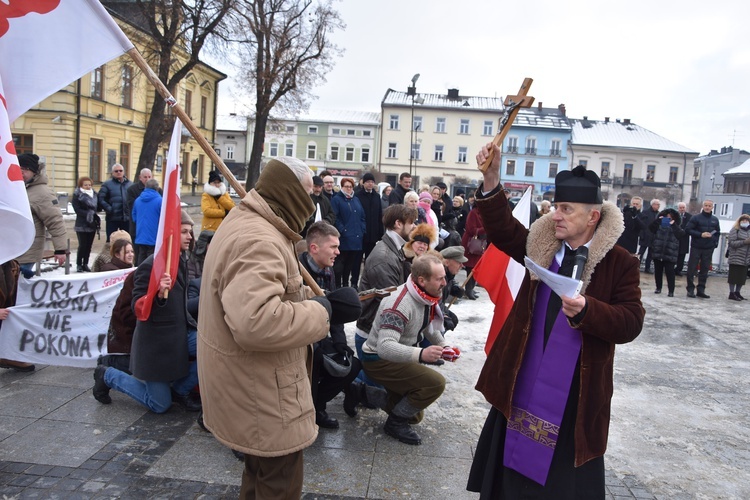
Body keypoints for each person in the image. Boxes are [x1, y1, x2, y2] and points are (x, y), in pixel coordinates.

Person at [466, 144, 644, 498]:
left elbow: (631, 321)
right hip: (522, 379)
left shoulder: (619, 261)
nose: (555, 215)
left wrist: (589, 311)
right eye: (555, 206)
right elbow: (501, 230)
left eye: (566, 209)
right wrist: (490, 178)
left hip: (575, 395)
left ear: (593, 217)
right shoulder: (541, 244)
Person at [197, 157, 361, 499]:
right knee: (278, 483)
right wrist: (323, 312)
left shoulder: (259, 225)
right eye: (308, 192)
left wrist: (317, 300)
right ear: (289, 193)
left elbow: (271, 294)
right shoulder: (259, 238)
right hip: (263, 391)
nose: (313, 199)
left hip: (256, 385)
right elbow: (256, 322)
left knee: (260, 476)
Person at [93, 210, 201, 413]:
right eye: (185, 232)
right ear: (172, 234)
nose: (190, 237)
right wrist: (157, 295)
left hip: (180, 334)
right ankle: (107, 374)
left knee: (212, 350)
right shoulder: (151, 265)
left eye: (190, 232)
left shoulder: (182, 260)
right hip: (156, 345)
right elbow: (137, 306)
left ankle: (181, 389)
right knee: (160, 405)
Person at [360, 254, 460, 445]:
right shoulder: (399, 304)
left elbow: (427, 326)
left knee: (414, 416)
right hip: (378, 360)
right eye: (439, 278)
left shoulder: (422, 295)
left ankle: (362, 393)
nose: (444, 283)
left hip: (397, 356)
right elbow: (385, 347)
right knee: (435, 383)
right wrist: (422, 354)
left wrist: (444, 345)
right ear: (422, 280)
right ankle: (394, 424)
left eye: (444, 277)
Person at [299, 221, 363, 428]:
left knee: (351, 365)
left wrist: (339, 343)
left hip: (322, 335)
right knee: (316, 359)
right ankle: (311, 411)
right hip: (301, 339)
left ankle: (317, 405)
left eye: (338, 246)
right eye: (333, 247)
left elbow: (334, 312)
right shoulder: (296, 272)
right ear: (314, 248)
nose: (338, 252)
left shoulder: (329, 270)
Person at [16, 154, 67, 278]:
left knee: (16, 288)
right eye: (19, 168)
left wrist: (60, 249)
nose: (21, 172)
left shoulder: (42, 192)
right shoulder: (15, 188)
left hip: (26, 251)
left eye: (26, 169)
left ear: (34, 172)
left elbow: (55, 221)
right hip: (11, 248)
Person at [0, 259, 35, 372]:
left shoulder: (8, 261)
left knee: (13, 318)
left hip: (6, 306)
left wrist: (22, 272)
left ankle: (7, 355)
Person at [331, 177, 366, 289]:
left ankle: (346, 285)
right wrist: (342, 230)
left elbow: (362, 216)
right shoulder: (337, 199)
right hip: (344, 237)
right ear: (342, 187)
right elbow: (335, 217)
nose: (349, 189)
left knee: (350, 264)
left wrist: (362, 229)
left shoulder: (355, 199)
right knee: (339, 264)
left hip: (356, 237)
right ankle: (337, 286)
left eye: (351, 187)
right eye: (346, 186)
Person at [685, 200, 720, 299]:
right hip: (697, 246)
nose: (707, 207)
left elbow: (717, 232)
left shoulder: (715, 219)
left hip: (708, 248)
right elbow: (688, 229)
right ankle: (690, 289)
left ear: (712, 207)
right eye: (706, 205)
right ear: (703, 206)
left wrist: (714, 242)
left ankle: (701, 289)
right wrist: (700, 234)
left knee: (705, 269)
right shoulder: (696, 218)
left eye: (709, 206)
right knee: (692, 268)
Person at [648, 208, 684, 297]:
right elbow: (651, 228)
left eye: (670, 218)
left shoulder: (676, 227)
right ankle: (658, 287)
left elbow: (681, 234)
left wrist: (674, 225)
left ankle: (671, 290)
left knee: (670, 272)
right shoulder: (659, 225)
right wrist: (658, 220)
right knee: (658, 271)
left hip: (670, 252)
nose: (668, 219)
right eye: (666, 217)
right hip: (658, 251)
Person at [72, 176, 100, 272]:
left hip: (92, 223)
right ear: (81, 185)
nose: (88, 186)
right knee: (82, 245)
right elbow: (77, 209)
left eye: (89, 185)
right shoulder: (77, 195)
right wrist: (88, 214)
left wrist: (95, 216)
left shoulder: (95, 194)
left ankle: (85, 264)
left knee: (89, 245)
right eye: (85, 185)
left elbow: (97, 207)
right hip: (82, 223)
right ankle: (79, 264)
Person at [98, 163, 132, 242]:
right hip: (112, 218)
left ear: (124, 172)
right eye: (116, 171)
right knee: (111, 241)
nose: (119, 172)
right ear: (112, 173)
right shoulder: (107, 184)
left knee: (126, 241)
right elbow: (100, 199)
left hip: (126, 218)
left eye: (120, 170)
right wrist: (109, 209)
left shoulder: (130, 184)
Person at [125, 168, 155, 256]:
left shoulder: (157, 190)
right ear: (140, 177)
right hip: (137, 226)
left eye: (149, 177)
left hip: (151, 227)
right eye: (145, 177)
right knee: (138, 253)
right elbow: (132, 208)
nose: (147, 179)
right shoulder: (132, 190)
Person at [131, 179, 162, 266]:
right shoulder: (160, 201)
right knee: (151, 261)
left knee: (141, 257)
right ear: (157, 188)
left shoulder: (138, 200)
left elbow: (134, 216)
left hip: (141, 235)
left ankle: (139, 276)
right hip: (154, 236)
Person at [356, 172, 384, 261]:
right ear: (363, 183)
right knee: (357, 258)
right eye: (368, 181)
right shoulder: (358, 195)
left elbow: (380, 214)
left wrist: (380, 232)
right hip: (361, 233)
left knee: (370, 258)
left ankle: (367, 275)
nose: (370, 184)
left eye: (372, 182)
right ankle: (355, 275)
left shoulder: (376, 196)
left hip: (373, 233)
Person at [461, 206, 486, 300]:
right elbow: (471, 229)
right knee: (471, 268)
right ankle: (468, 290)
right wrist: (485, 229)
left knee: (476, 267)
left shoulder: (486, 213)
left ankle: (471, 288)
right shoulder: (473, 213)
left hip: (480, 243)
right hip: (471, 243)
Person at [726, 214, 750, 301]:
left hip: (746, 258)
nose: (745, 222)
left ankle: (737, 292)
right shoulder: (735, 230)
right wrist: (744, 242)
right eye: (743, 220)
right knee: (733, 276)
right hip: (736, 256)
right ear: (739, 221)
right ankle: (731, 293)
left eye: (746, 221)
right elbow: (732, 243)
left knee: (741, 277)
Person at [637, 199, 660, 273]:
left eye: (659, 205)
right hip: (645, 236)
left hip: (654, 237)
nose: (658, 206)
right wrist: (641, 235)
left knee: (650, 254)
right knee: (641, 252)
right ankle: (637, 266)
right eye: (657, 204)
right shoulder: (645, 212)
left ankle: (647, 268)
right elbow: (641, 225)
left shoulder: (659, 214)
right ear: (653, 205)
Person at [675, 202, 692, 276]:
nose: (682, 209)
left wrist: (684, 231)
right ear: (678, 208)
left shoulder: (689, 216)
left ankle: (679, 270)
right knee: (674, 254)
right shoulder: (674, 215)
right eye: (680, 208)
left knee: (682, 255)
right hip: (675, 238)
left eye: (683, 208)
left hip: (684, 238)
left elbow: (690, 226)